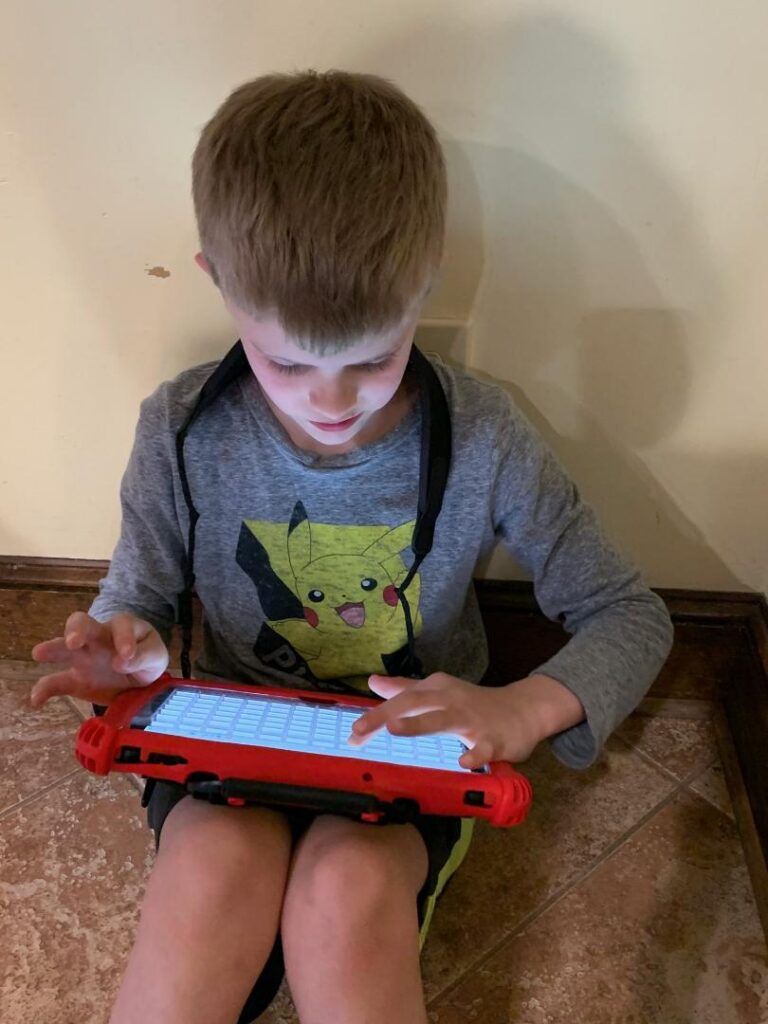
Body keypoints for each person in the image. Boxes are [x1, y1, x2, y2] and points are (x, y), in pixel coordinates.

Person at [30, 70, 673, 1024]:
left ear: (428, 280)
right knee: (212, 870)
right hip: (230, 745)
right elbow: (146, 593)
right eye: (287, 361)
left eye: (372, 357)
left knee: (342, 888)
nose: (332, 404)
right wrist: (130, 643)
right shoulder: (180, 424)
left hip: (408, 767)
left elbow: (631, 612)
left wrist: (521, 711)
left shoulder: (486, 435)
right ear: (217, 280)